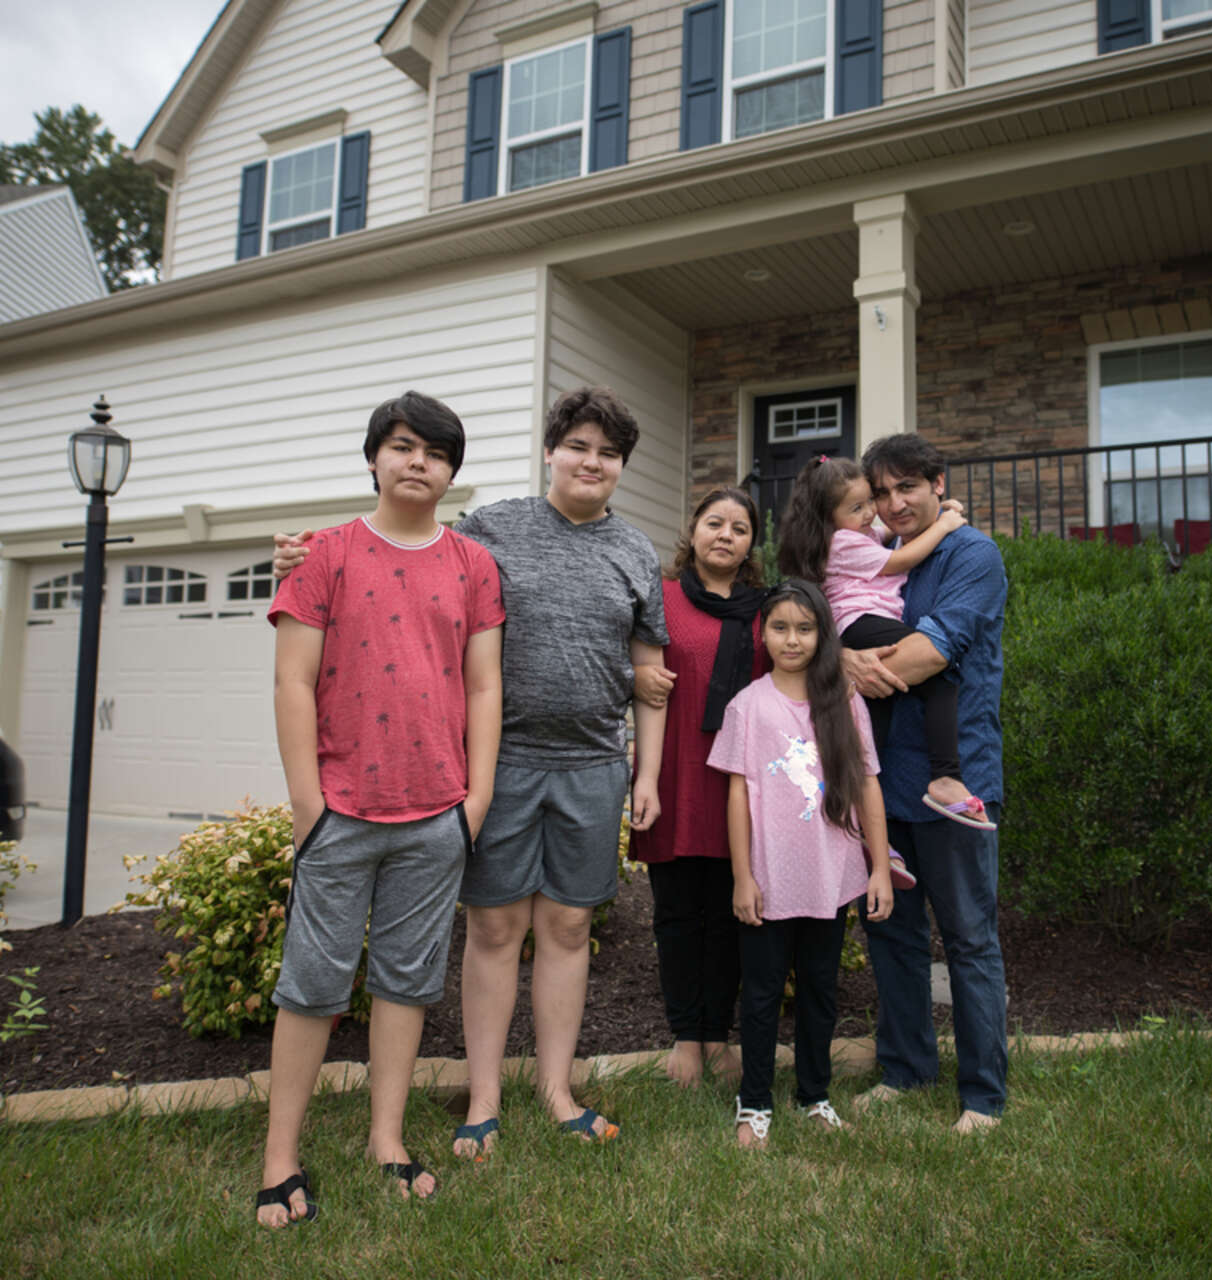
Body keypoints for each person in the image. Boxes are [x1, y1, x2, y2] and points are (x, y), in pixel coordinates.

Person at [274, 386, 667, 1158]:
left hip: (593, 765)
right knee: (492, 926)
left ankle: (556, 1088)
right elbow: (399, 551)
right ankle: (482, 1095)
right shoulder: (490, 528)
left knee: (568, 925)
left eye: (609, 453)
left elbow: (649, 668)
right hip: (505, 760)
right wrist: (296, 555)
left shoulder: (637, 552)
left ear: (620, 467)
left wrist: (645, 772)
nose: (593, 462)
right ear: (551, 451)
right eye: (579, 446)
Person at [259, 392, 504, 1227]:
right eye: (402, 447)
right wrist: (307, 803)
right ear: (375, 457)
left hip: (435, 813)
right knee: (312, 987)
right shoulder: (321, 554)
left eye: (435, 453)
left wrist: (475, 800)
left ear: (450, 474)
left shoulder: (474, 564)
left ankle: (387, 1140)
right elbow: (293, 681)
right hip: (341, 810)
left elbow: (483, 683)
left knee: (406, 983)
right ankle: (279, 1158)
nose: (417, 463)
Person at [842, 433, 1008, 1134]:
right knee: (892, 932)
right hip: (883, 780)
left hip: (955, 779)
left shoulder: (972, 555)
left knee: (968, 937)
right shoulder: (878, 552)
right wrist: (836, 659)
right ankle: (906, 1070)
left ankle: (982, 1096)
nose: (893, 502)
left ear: (938, 484)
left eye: (907, 486)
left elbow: (933, 652)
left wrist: (847, 665)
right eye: (881, 491)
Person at [706, 579, 894, 1149]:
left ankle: (815, 1093)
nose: (792, 639)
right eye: (781, 627)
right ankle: (755, 1102)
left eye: (805, 628)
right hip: (768, 878)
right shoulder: (748, 705)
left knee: (820, 989)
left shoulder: (845, 702)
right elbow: (737, 795)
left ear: (822, 634)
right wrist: (743, 875)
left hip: (831, 878)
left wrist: (880, 867)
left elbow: (867, 786)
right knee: (761, 993)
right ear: (764, 632)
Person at [628, 488, 769, 1088]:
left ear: (751, 544)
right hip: (677, 772)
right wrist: (644, 776)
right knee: (679, 914)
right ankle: (686, 1036)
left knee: (735, 915)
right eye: (715, 523)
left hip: (745, 782)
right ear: (693, 530)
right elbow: (635, 671)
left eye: (740, 528)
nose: (726, 535)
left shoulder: (768, 611)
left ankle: (719, 1035)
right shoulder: (660, 601)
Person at [778, 454, 993, 829]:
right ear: (829, 517)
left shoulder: (858, 534)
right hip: (863, 622)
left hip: (858, 626)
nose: (870, 514)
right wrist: (944, 525)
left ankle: (861, 813)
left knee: (874, 710)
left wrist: (942, 507)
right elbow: (902, 558)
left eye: (869, 503)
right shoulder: (843, 542)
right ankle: (945, 777)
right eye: (857, 507)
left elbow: (892, 536)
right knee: (942, 680)